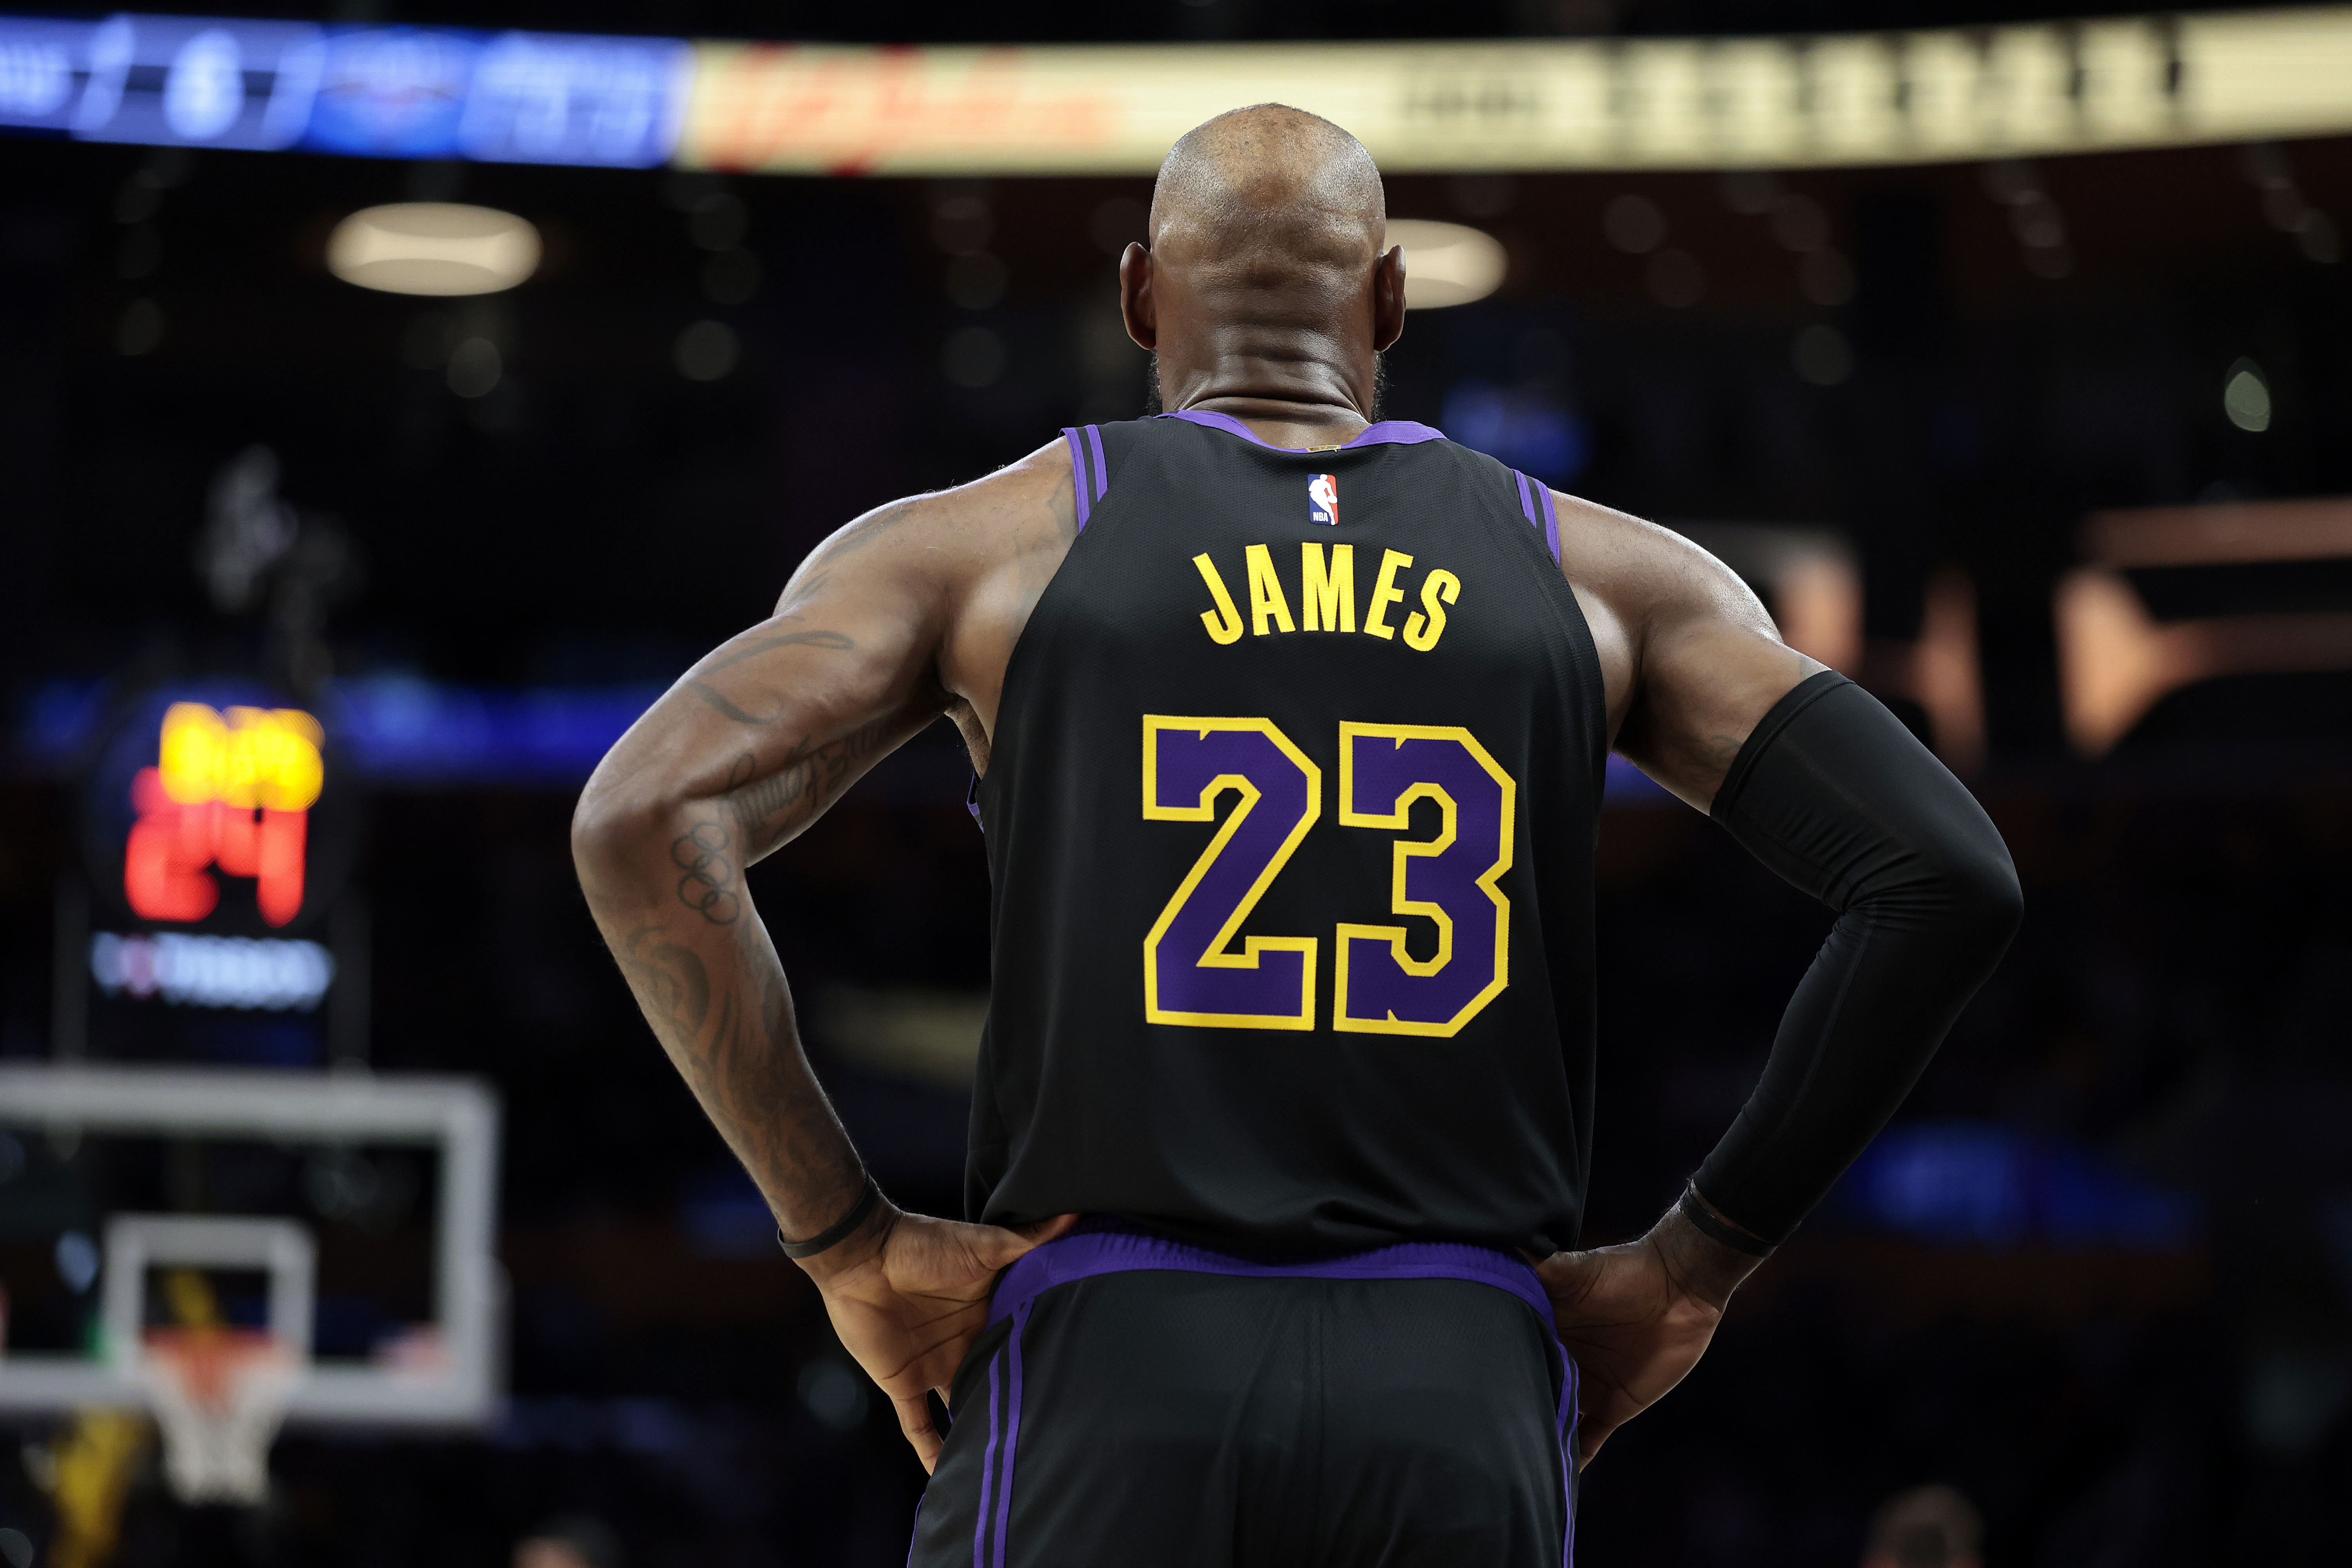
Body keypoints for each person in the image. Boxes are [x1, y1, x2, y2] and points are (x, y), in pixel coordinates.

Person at [572, 104, 2022, 1566]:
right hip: (1460, 1370)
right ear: (1389, 299)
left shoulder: (984, 550)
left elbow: (643, 815)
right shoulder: (1613, 581)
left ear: (1140, 295)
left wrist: (844, 1239)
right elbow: (1944, 876)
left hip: (1107, 1353)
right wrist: (1695, 1263)